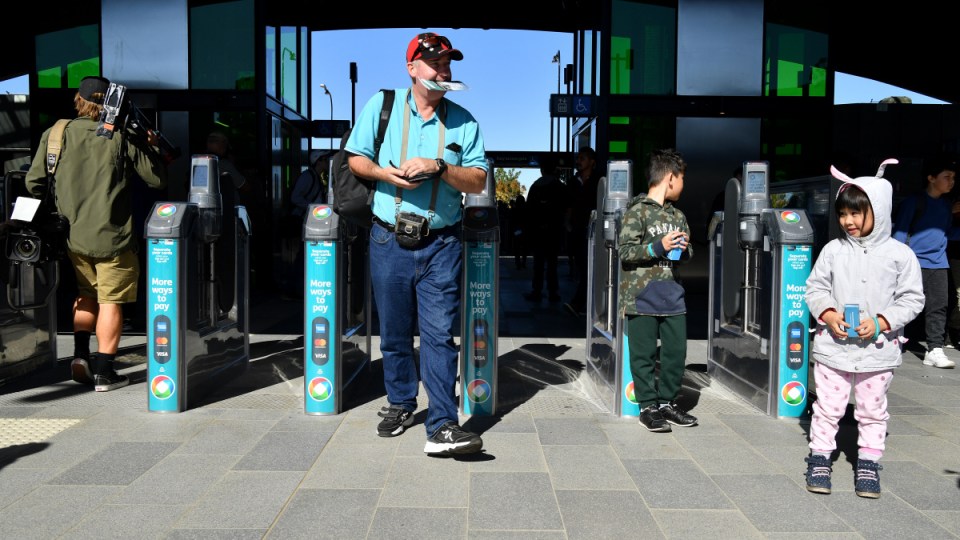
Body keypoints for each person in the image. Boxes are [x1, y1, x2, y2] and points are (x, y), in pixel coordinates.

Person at [344, 31, 487, 456]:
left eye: (448, 63)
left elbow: (478, 178)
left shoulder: (464, 120)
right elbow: (355, 158)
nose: (443, 70)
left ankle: (442, 423)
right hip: (388, 237)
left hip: (442, 242)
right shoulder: (382, 106)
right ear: (413, 68)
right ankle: (402, 402)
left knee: (440, 335)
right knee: (393, 333)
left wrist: (440, 167)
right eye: (435, 62)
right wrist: (387, 176)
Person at [24, 75, 168, 391]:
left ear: (79, 99)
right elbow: (156, 179)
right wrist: (150, 146)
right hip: (114, 237)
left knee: (85, 295)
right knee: (111, 302)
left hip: (72, 237)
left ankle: (80, 357)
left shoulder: (57, 134)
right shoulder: (123, 136)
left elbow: (33, 183)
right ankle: (104, 372)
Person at [803, 161, 924, 498]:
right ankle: (820, 457)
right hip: (833, 348)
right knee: (827, 408)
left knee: (873, 410)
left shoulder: (901, 255)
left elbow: (913, 298)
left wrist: (884, 321)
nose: (848, 222)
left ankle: (869, 463)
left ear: (880, 211)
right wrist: (827, 314)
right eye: (843, 214)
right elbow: (815, 289)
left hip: (877, 351)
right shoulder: (832, 250)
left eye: (857, 214)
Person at [617, 148, 698, 433]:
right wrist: (657, 246)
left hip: (672, 294)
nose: (683, 184)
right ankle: (648, 407)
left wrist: (683, 249)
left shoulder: (678, 215)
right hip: (641, 297)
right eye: (683, 178)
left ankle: (667, 403)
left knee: (676, 353)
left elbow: (688, 252)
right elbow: (625, 252)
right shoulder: (636, 212)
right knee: (643, 355)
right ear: (671, 178)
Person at [891, 155, 960, 368]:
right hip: (913, 262)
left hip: (938, 263)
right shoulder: (914, 202)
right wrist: (896, 264)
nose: (951, 181)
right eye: (946, 176)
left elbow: (946, 233)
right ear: (931, 178)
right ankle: (893, 341)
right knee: (903, 303)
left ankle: (934, 349)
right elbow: (899, 234)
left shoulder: (947, 205)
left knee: (939, 306)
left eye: (953, 177)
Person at [523, 155, 566, 302]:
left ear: (542, 170)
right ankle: (553, 292)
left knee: (538, 263)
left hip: (538, 233)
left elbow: (528, 211)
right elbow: (563, 209)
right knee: (552, 264)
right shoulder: (559, 186)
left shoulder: (535, 186)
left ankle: (537, 290)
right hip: (553, 231)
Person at [564, 146, 599, 316]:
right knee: (583, 268)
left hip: (594, 230)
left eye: (582, 158)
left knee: (589, 269)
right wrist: (568, 225)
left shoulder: (600, 181)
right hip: (578, 231)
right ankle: (584, 304)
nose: (578, 161)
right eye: (578, 158)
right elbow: (568, 205)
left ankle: (579, 304)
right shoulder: (573, 181)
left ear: (592, 161)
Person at [509, 194, 528, 269]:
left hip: (517, 230)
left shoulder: (514, 209)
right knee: (524, 248)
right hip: (525, 230)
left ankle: (518, 263)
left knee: (517, 247)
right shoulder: (526, 209)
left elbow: (512, 221)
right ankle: (524, 262)